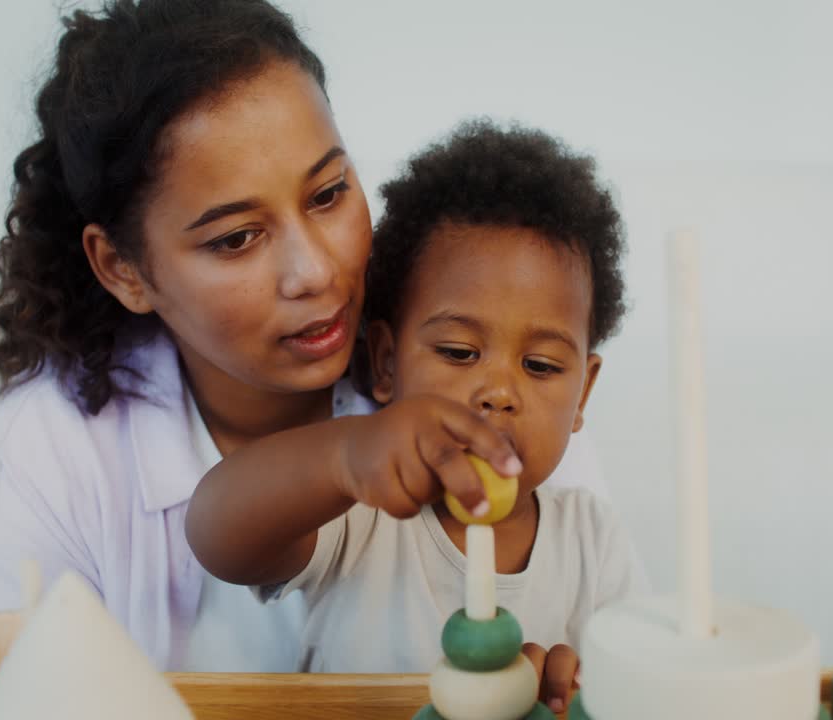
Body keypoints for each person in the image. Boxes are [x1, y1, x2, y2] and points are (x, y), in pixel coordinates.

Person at [0, 0, 611, 672]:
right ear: (124, 269)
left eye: (328, 195)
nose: (316, 272)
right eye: (236, 238)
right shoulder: (49, 457)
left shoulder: (490, 384)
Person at [186, 121, 645, 713]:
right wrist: (344, 456)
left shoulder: (593, 544)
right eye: (459, 353)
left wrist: (576, 698)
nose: (498, 392)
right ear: (385, 363)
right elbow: (218, 534)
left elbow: (639, 690)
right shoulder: (358, 513)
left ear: (582, 395)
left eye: (541, 365)